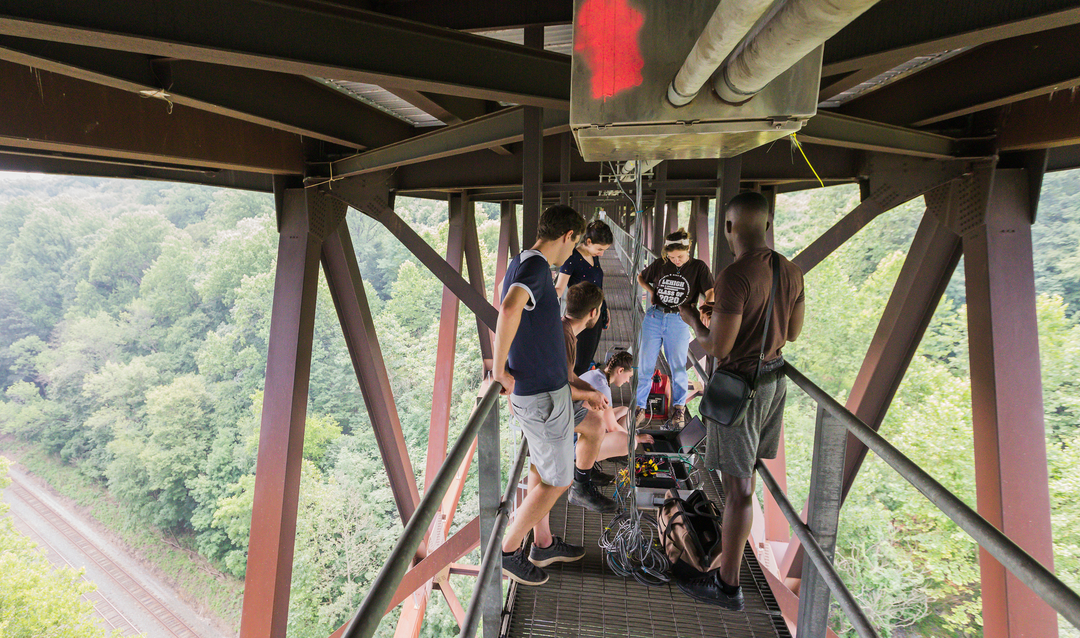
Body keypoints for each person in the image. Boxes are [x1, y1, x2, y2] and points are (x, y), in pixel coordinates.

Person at [677, 192, 805, 610]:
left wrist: (693, 319)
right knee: (744, 480)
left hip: (740, 389)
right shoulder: (791, 271)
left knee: (738, 489)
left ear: (729, 227)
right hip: (772, 382)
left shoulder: (736, 275)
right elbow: (795, 331)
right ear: (767, 225)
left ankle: (727, 584)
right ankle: (727, 569)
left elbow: (717, 347)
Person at [494, 205, 616, 587]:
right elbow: (510, 307)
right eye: (576, 242)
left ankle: (543, 543)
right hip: (543, 398)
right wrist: (499, 370)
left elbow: (520, 318)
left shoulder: (525, 263)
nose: (573, 251)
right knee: (558, 480)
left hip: (548, 394)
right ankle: (509, 552)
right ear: (567, 237)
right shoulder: (533, 266)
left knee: (543, 470)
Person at [635, 228, 714, 429]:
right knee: (645, 365)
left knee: (678, 367)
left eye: (679, 256)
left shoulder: (698, 267)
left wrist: (706, 306)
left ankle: (678, 409)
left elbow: (711, 290)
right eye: (672, 257)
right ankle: (639, 408)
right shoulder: (662, 264)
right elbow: (641, 277)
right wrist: (652, 291)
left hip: (679, 319)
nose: (676, 260)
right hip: (654, 316)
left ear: (688, 249)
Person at [555, 220, 614, 376]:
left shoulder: (593, 256)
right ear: (588, 241)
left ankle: (579, 391)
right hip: (582, 315)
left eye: (604, 250)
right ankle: (575, 395)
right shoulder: (572, 257)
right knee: (579, 362)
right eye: (600, 249)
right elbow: (560, 287)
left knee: (587, 359)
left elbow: (598, 284)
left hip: (597, 313)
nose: (601, 253)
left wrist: (604, 307)